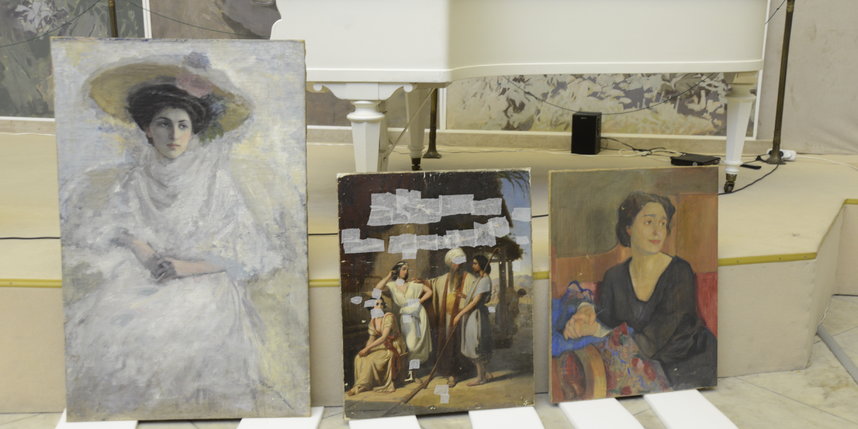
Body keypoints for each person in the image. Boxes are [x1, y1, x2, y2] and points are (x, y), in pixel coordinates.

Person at [61, 65, 283, 414]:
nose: (173, 135)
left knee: (187, 325)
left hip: (202, 279)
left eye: (182, 125)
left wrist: (184, 267)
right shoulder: (136, 179)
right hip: (148, 273)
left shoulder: (217, 181)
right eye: (164, 124)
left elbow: (242, 250)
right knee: (114, 324)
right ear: (148, 130)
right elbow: (123, 228)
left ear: (193, 132)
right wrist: (150, 257)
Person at [568, 191, 716, 389]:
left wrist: (598, 332)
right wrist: (584, 315)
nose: (657, 231)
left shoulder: (679, 271)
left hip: (688, 366)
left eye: (662, 223)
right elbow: (606, 322)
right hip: (641, 365)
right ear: (628, 228)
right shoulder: (614, 277)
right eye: (649, 222)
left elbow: (653, 340)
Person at [374, 261, 432, 382]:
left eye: (407, 269)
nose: (406, 272)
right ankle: (408, 372)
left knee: (418, 345)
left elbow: (429, 291)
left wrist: (419, 301)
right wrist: (389, 275)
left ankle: (413, 373)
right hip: (406, 316)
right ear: (397, 271)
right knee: (409, 345)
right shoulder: (392, 286)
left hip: (419, 314)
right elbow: (377, 290)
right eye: (404, 269)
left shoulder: (413, 284)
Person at [428, 247, 477, 387]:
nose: (458, 265)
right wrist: (421, 282)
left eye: (460, 262)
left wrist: (465, 298)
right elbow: (432, 284)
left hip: (463, 318)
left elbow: (477, 297)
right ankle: (449, 372)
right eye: (455, 263)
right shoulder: (444, 279)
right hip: (447, 318)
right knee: (447, 343)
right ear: (450, 264)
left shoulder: (469, 278)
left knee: (458, 344)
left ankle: (458, 373)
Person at [347, 298, 408, 395]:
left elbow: (384, 337)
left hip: (393, 345)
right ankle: (365, 385)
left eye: (381, 304)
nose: (380, 306)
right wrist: (366, 351)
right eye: (377, 304)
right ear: (371, 307)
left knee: (371, 360)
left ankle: (360, 386)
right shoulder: (373, 321)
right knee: (359, 358)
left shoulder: (388, 317)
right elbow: (371, 339)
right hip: (383, 344)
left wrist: (367, 348)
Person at [455, 255, 494, 386]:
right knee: (475, 343)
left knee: (476, 344)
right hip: (473, 314)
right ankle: (484, 374)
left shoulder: (484, 280)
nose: (473, 266)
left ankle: (480, 377)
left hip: (477, 315)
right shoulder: (480, 279)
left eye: (475, 263)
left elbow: (476, 302)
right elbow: (475, 298)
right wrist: (465, 296)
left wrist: (459, 315)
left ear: (481, 265)